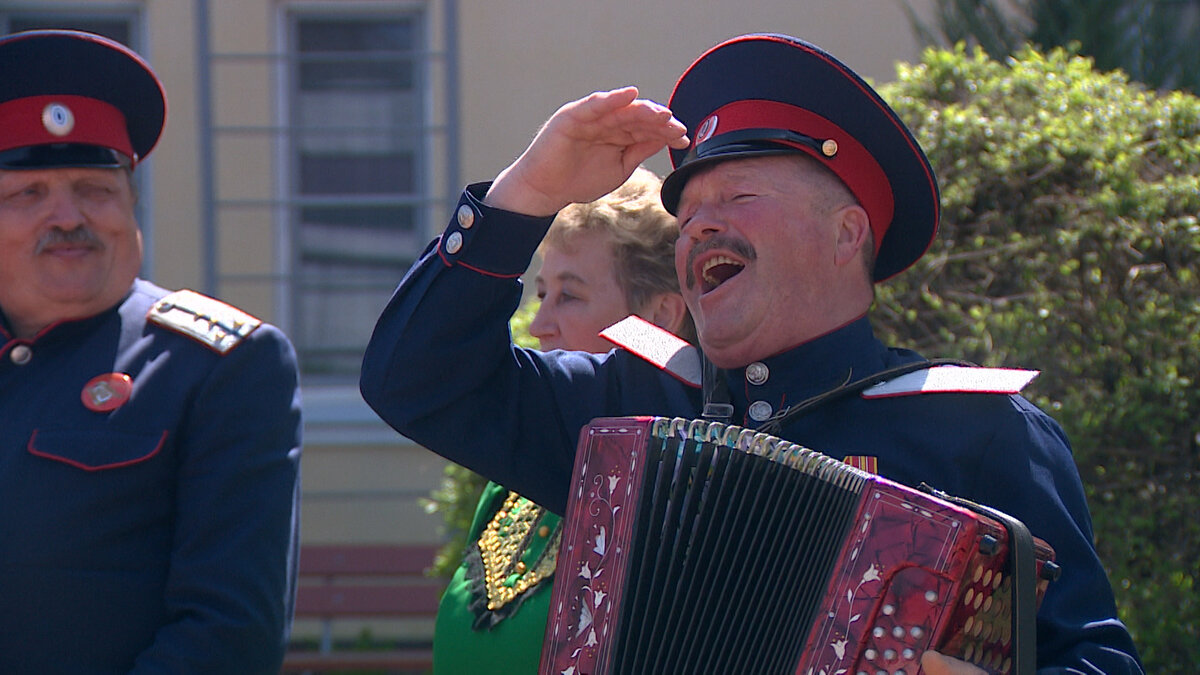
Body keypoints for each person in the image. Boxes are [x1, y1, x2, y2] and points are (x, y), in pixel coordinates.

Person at [360, 34, 1142, 674]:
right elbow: (413, 379)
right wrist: (527, 191)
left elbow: (1095, 658)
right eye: (689, 211)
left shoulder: (977, 429)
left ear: (846, 234)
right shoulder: (629, 401)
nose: (700, 224)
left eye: (737, 198)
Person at [0, 30, 302, 674]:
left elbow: (229, 636)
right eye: (29, 193)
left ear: (131, 200)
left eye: (95, 189)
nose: (67, 217)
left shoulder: (219, 368)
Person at [432, 167, 692, 673]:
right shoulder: (507, 481)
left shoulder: (675, 490)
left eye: (569, 296)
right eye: (541, 293)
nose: (538, 325)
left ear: (659, 317)